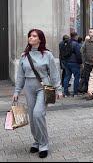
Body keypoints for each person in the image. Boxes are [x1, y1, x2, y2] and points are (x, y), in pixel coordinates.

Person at [12, 29, 63, 158]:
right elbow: (20, 76)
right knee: (32, 116)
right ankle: (36, 141)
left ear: (40, 39)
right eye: (30, 36)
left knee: (38, 114)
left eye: (34, 36)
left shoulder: (47, 55)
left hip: (43, 86)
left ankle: (44, 144)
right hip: (29, 88)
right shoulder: (24, 56)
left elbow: (54, 73)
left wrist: (59, 89)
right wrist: (17, 91)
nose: (31, 37)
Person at [79, 28, 93, 98]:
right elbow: (81, 50)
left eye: (91, 32)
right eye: (89, 32)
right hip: (87, 63)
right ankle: (91, 93)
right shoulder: (86, 42)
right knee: (87, 78)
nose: (89, 33)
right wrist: (83, 61)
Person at [63, 32, 82, 97]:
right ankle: (75, 93)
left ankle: (65, 92)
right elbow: (78, 54)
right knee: (76, 77)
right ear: (76, 36)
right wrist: (80, 62)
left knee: (67, 76)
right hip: (74, 62)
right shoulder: (76, 44)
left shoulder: (66, 43)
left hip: (66, 62)